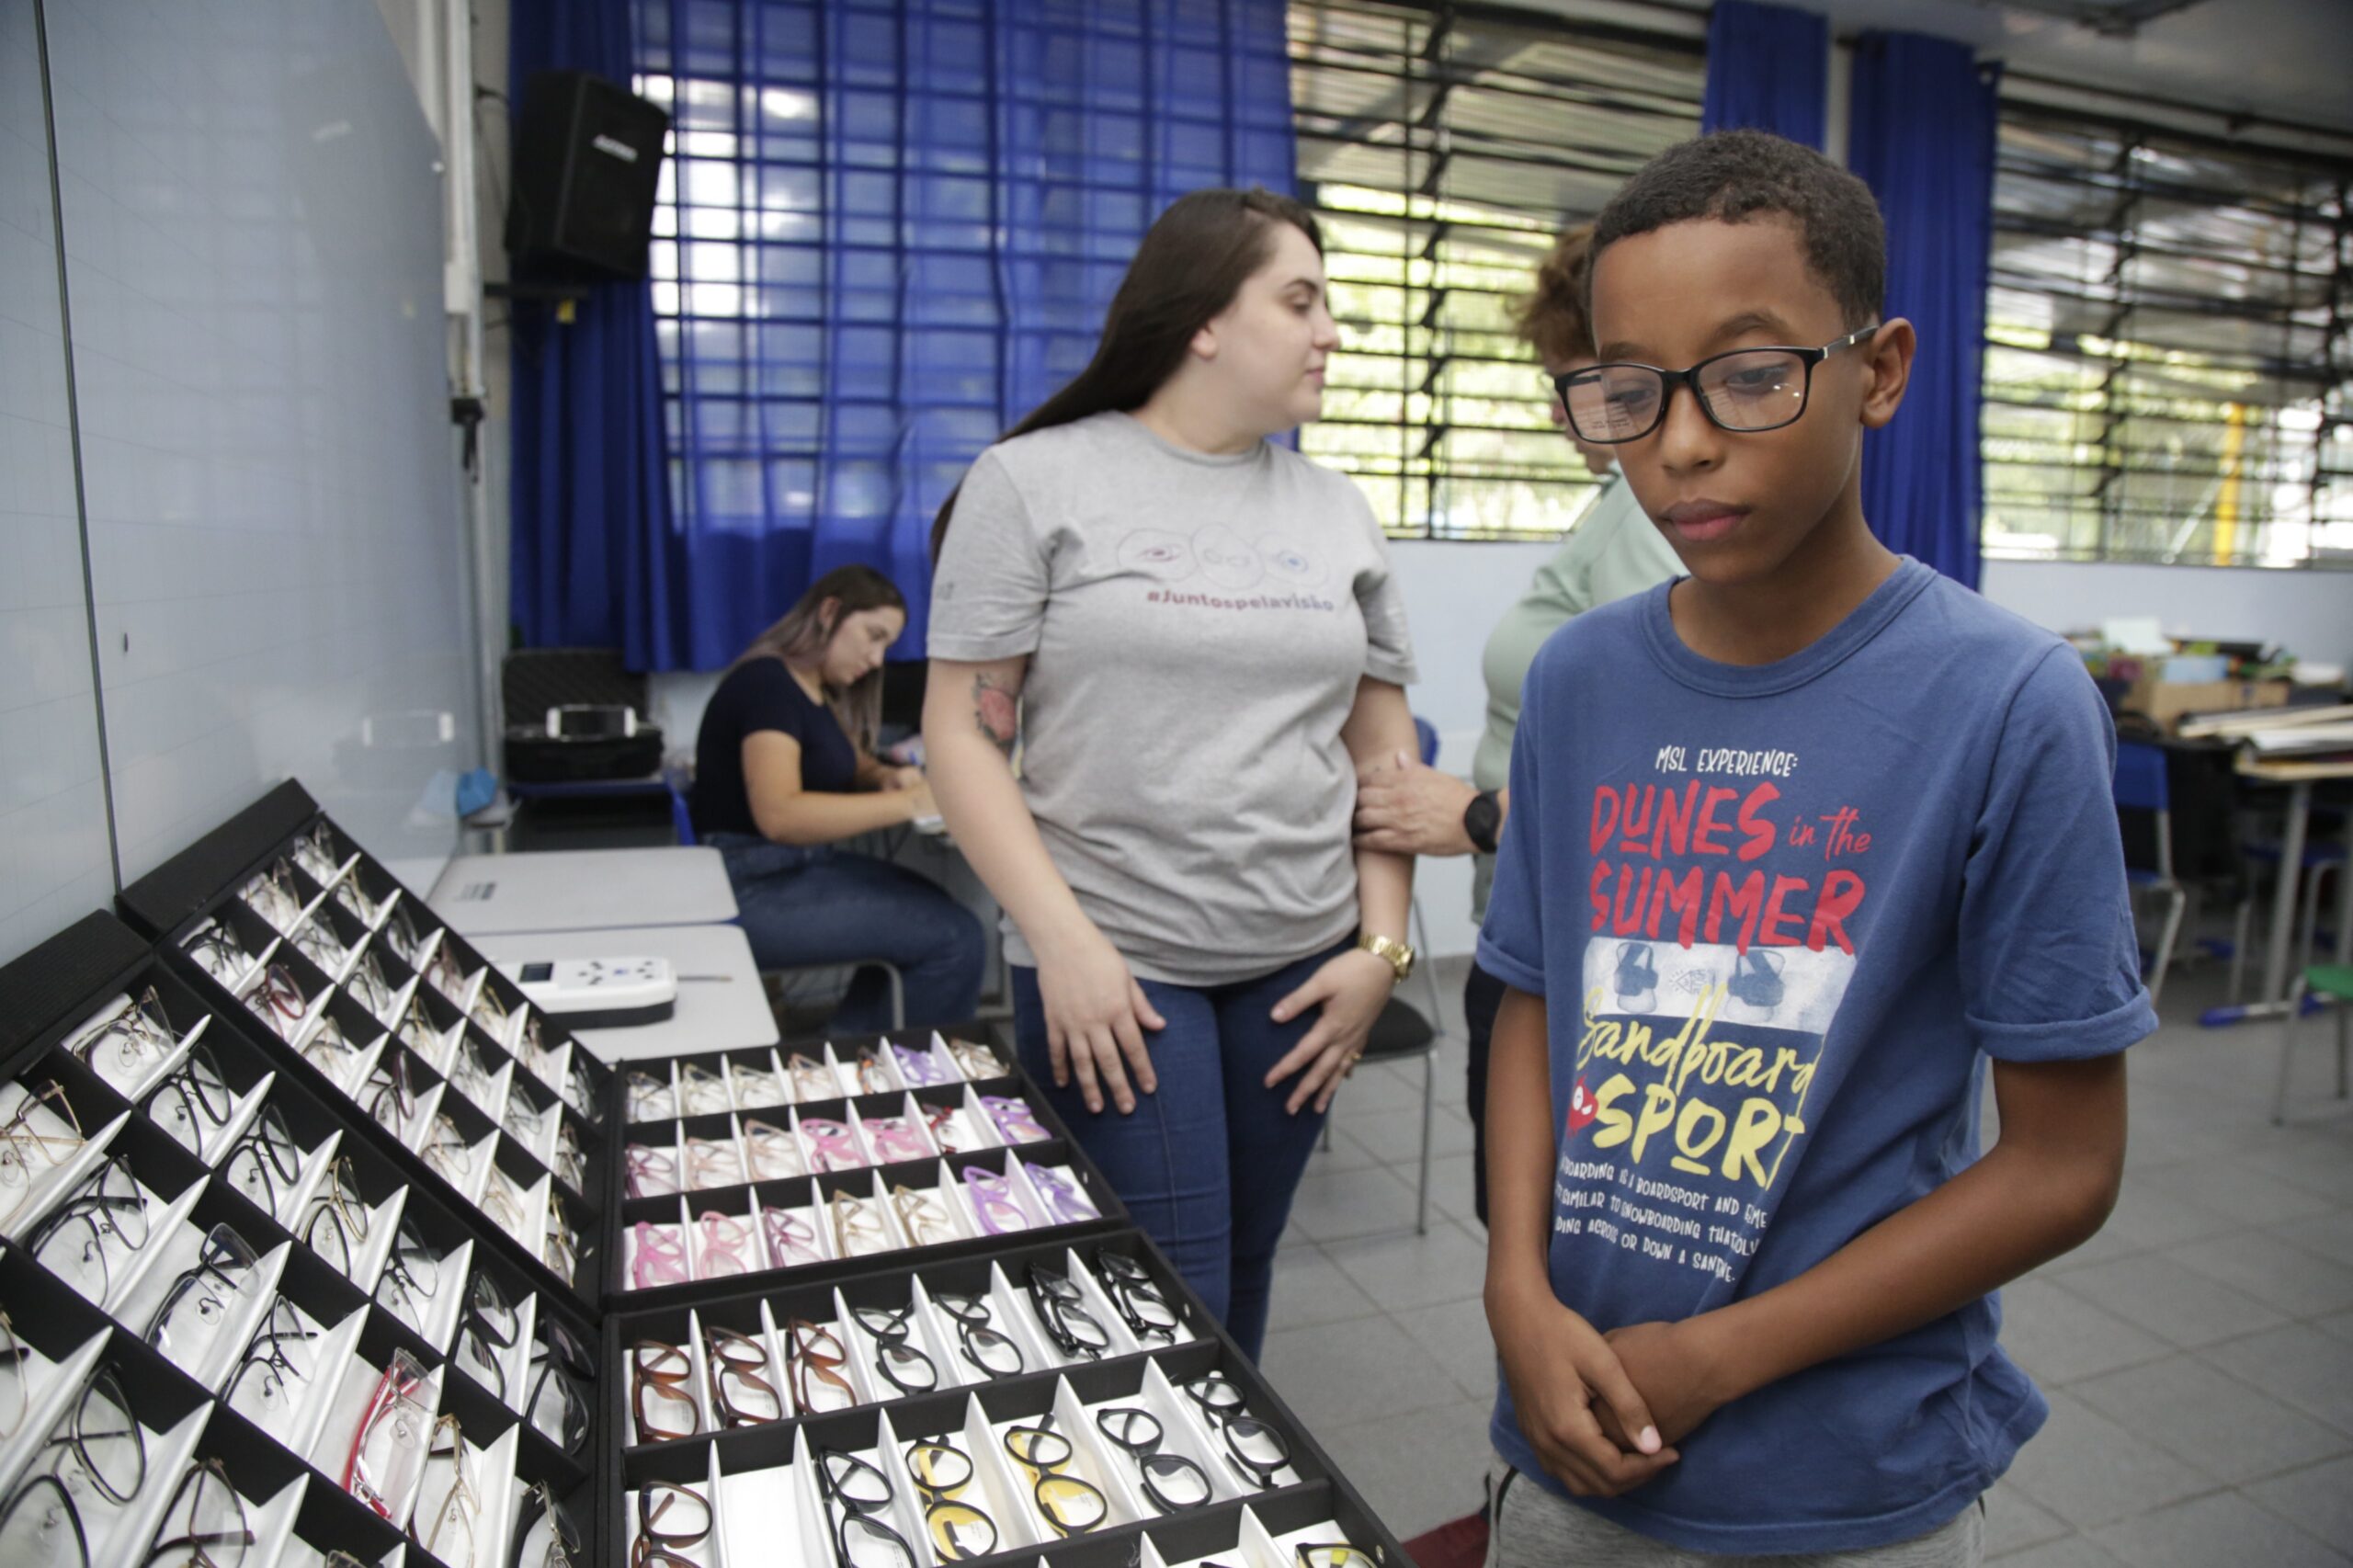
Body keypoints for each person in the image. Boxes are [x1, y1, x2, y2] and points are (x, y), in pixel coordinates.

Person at [1478, 130, 2151, 1564]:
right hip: (1567, 1427)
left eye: (1748, 373)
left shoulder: (2007, 700)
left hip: (1845, 1478)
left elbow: (2063, 1164)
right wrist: (1513, 1290)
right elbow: (1532, 996)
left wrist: (1717, 1358)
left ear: (1880, 371)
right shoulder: (1581, 680)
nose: (1680, 442)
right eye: (1628, 390)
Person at [921, 187, 1421, 1361]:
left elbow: (1385, 759)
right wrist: (1063, 946)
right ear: (1202, 318)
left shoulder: (1337, 508)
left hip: (1302, 962)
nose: (1329, 333)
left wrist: (1380, 950)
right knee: (1168, 1291)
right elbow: (962, 736)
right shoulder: (1032, 480)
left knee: (1242, 1263)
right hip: (1118, 958)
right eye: (1298, 301)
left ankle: (1225, 1473)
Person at [1353, 223, 1682, 1233]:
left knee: (1553, 1234)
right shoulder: (1620, 505)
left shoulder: (1654, 511)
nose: (1558, 412)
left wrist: (1483, 816)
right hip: (1538, 924)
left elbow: (1670, 761)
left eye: (1574, 382)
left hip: (1582, 945)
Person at [691, 564, 986, 1032]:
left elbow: (845, 761)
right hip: (750, 885)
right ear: (830, 612)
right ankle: (873, 1061)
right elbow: (779, 815)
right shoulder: (767, 686)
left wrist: (886, 776)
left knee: (931, 905)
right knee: (955, 937)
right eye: (873, 636)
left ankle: (852, 1046)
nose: (876, 659)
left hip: (789, 869)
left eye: (886, 646)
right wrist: (912, 803)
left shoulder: (810, 692)